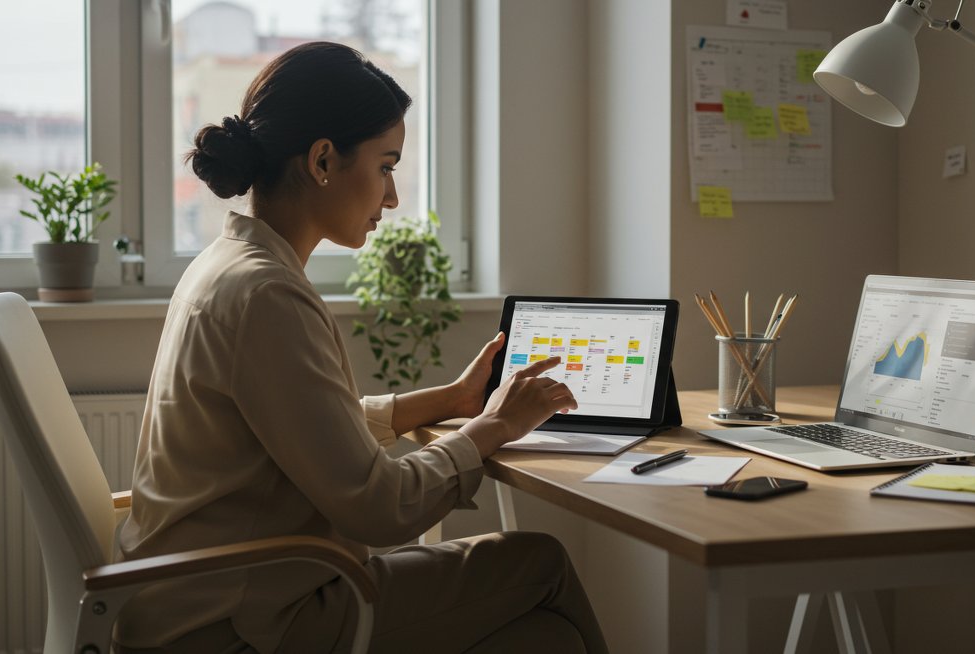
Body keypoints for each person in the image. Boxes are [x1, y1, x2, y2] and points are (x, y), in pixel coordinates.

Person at [114, 42, 608, 654]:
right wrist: (494, 426)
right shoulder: (267, 294)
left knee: (545, 637)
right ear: (323, 160)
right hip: (245, 621)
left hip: (201, 598)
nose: (393, 196)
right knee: (541, 564)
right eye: (386, 166)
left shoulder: (225, 265)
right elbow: (377, 507)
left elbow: (307, 426)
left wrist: (451, 400)